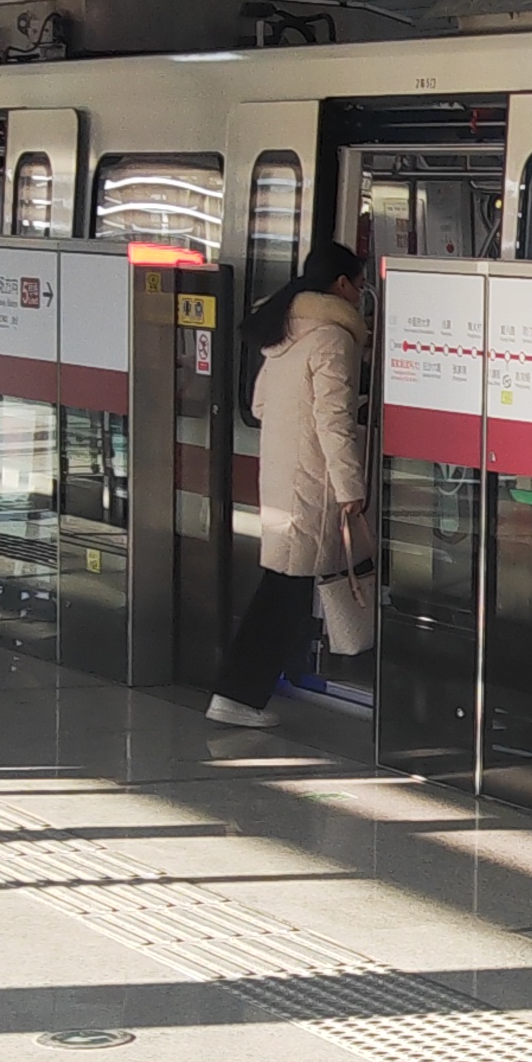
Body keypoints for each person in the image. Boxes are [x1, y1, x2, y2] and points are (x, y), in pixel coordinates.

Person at [207, 243, 369, 726]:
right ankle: (236, 696)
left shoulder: (287, 332)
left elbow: (260, 405)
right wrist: (350, 487)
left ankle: (237, 694)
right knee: (286, 593)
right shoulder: (332, 338)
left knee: (286, 586)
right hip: (312, 481)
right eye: (359, 285)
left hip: (283, 475)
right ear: (341, 284)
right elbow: (333, 421)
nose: (361, 296)